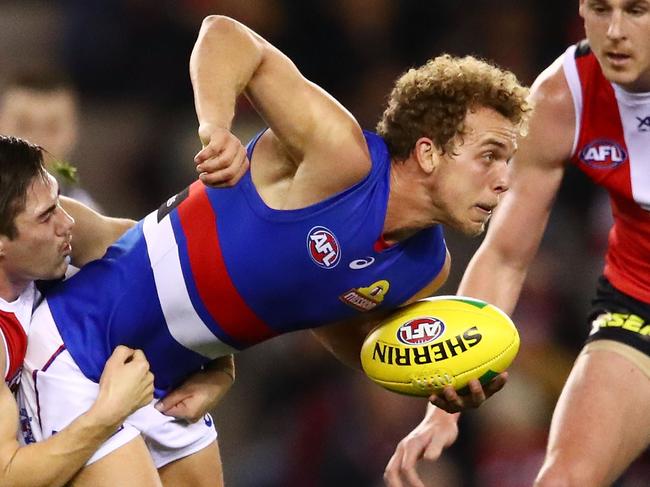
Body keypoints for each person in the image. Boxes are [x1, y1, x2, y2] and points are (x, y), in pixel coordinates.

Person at [17, 15, 530, 486]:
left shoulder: (426, 267)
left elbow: (338, 319)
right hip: (81, 344)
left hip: (168, 383)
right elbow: (224, 35)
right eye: (490, 155)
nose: (504, 181)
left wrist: (427, 377)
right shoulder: (339, 155)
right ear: (428, 152)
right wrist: (216, 127)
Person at [385, 1, 650, 486]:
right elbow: (505, 256)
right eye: (600, 9)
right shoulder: (561, 97)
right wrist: (445, 406)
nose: (614, 31)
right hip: (638, 305)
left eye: (636, 10)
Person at [0, 135, 155, 487]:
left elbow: (158, 262)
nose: (67, 221)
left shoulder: (59, 227)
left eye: (57, 201)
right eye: (46, 216)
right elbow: (7, 476)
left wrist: (217, 367)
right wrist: (108, 411)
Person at [0, 69, 99, 209]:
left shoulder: (88, 219)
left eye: (52, 128)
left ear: (73, 133)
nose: (37, 142)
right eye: (23, 126)